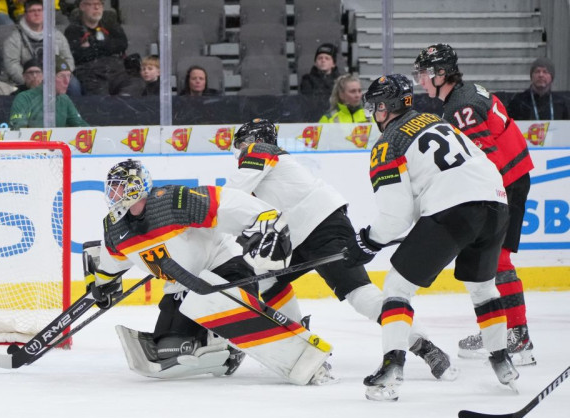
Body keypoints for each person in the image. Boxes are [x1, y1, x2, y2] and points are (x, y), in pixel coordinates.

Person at [226, 118, 457, 382]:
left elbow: (229, 198)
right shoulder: (268, 170)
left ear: (255, 140)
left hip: (325, 228)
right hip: (295, 239)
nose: (239, 151)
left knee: (361, 296)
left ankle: (426, 347)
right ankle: (302, 344)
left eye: (241, 143)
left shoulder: (259, 153)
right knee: (263, 281)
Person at [344, 74, 519, 401]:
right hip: (496, 202)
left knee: (397, 286)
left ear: (387, 106)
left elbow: (396, 218)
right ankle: (502, 361)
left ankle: (392, 368)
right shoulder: (437, 121)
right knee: (483, 287)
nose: (374, 114)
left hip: (454, 208)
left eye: (376, 107)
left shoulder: (388, 143)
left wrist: (367, 241)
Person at [87, 160, 330, 384]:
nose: (113, 194)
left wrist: (264, 218)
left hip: (224, 269)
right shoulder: (114, 228)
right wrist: (103, 282)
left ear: (135, 186)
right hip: (183, 287)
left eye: (118, 187)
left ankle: (241, 344)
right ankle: (220, 346)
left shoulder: (170, 201)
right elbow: (113, 261)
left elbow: (224, 201)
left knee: (233, 316)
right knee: (169, 349)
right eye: (112, 188)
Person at [413, 43, 536, 366]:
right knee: (489, 260)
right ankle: (502, 329)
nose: (421, 80)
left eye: (425, 73)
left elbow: (488, 160)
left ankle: (517, 335)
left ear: (442, 74)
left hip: (506, 183)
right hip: (514, 176)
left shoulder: (460, 107)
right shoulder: (467, 93)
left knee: (497, 260)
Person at [63, 0, 144, 96]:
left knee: (138, 83)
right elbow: (77, 54)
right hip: (90, 73)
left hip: (116, 71)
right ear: (82, 6)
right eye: (92, 4)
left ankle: (122, 102)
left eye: (99, 4)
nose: (97, 8)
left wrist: (93, 45)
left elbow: (122, 44)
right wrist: (107, 46)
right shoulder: (73, 29)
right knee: (101, 100)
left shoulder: (111, 25)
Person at [2, 0, 76, 89]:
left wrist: (60, 76)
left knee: (73, 85)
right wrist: (30, 79)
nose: (37, 14)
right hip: (27, 79)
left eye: (40, 10)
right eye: (32, 11)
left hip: (55, 78)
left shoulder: (57, 35)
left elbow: (68, 59)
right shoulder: (14, 38)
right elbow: (12, 65)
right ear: (25, 14)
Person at [9, 56, 88, 129]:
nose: (67, 81)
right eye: (61, 76)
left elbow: (81, 126)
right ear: (48, 78)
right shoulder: (25, 98)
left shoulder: (64, 100)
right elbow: (17, 129)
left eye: (69, 76)